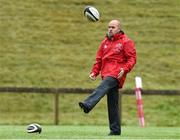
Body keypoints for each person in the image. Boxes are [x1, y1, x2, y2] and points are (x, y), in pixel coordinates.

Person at [79, 19, 136, 135]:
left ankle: (88, 104)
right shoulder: (104, 42)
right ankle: (115, 131)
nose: (110, 29)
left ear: (119, 29)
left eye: (113, 27)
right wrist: (94, 72)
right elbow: (99, 59)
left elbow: (132, 59)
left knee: (102, 87)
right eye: (109, 27)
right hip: (106, 74)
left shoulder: (126, 42)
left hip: (116, 74)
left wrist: (124, 69)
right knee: (112, 103)